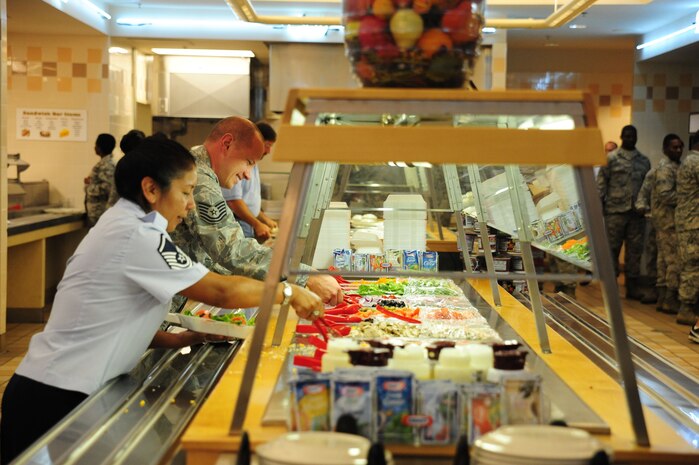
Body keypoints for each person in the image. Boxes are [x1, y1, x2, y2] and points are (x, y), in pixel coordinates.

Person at [0, 137, 324, 465]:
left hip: (59, 388)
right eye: (185, 193)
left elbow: (113, 314)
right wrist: (288, 291)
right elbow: (220, 292)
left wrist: (178, 339)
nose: (191, 205)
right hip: (53, 396)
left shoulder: (128, 226)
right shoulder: (137, 235)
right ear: (152, 190)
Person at [170, 116, 343, 305]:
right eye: (248, 161)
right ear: (227, 144)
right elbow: (232, 250)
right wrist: (304, 275)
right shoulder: (202, 180)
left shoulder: (199, 167)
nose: (247, 174)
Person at [596, 125, 651, 300]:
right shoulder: (611, 159)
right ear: (621, 136)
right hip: (614, 212)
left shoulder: (643, 161)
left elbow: (647, 186)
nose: (629, 138)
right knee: (612, 249)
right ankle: (611, 286)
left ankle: (632, 286)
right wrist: (599, 207)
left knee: (634, 251)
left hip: (636, 213)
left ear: (636, 137)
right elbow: (601, 184)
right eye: (626, 135)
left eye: (632, 136)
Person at [221, 121, 278, 242]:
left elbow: (249, 200)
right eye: (267, 145)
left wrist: (264, 219)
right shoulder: (238, 162)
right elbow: (233, 201)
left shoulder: (254, 164)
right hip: (239, 223)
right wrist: (257, 224)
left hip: (248, 222)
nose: (269, 151)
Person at [648, 134, 684, 315]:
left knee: (664, 259)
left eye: (679, 147)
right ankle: (669, 297)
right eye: (674, 147)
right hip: (667, 221)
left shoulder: (677, 167)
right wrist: (687, 199)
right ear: (665, 149)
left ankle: (663, 298)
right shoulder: (665, 169)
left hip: (669, 220)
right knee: (673, 261)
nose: (677, 151)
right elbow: (665, 194)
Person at [675, 138, 699, 325]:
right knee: (692, 266)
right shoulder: (695, 161)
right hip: (693, 223)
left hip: (688, 221)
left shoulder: (687, 160)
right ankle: (686, 308)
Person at [634, 165, 658, 305]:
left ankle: (668, 296)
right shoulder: (656, 170)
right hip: (657, 221)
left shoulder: (682, 169)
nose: (678, 150)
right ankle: (652, 289)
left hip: (679, 223)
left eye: (681, 148)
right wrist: (642, 207)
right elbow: (643, 193)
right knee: (653, 256)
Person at [84, 133, 116, 226]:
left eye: (96, 145)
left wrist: (90, 185)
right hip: (98, 212)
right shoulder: (104, 163)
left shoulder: (106, 165)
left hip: (100, 212)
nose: (94, 147)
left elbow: (108, 187)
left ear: (100, 147)